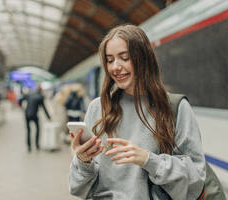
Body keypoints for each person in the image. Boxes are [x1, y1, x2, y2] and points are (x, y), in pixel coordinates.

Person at [68, 24, 206, 200]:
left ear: (143, 59)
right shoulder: (98, 108)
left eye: (124, 58)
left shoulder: (174, 107)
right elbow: (77, 188)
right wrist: (83, 161)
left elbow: (195, 181)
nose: (115, 67)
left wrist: (148, 160)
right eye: (110, 60)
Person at [19, 85, 51, 152]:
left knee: (28, 131)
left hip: (27, 114)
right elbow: (44, 108)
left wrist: (21, 107)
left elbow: (20, 100)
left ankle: (29, 147)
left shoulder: (29, 94)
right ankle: (37, 146)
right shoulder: (40, 97)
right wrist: (48, 117)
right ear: (41, 90)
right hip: (34, 115)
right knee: (38, 129)